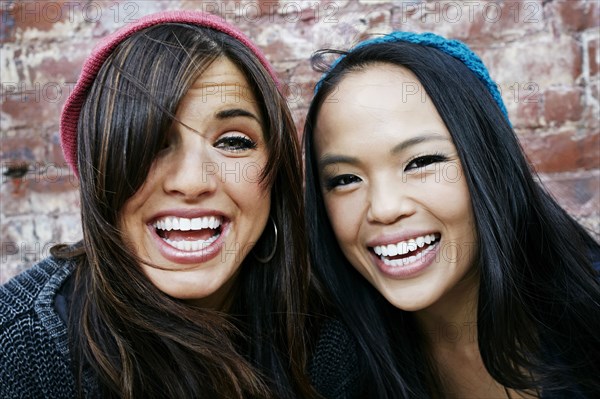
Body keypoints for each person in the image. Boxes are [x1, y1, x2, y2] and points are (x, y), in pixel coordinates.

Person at [0, 10, 337, 398]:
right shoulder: (19, 350)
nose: (192, 182)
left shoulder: (327, 331)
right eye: (152, 141)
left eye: (232, 141)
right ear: (100, 175)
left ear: (274, 169)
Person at [303, 31, 600, 398]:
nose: (384, 208)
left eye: (421, 162)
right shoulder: (330, 369)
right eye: (346, 179)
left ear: (492, 161)